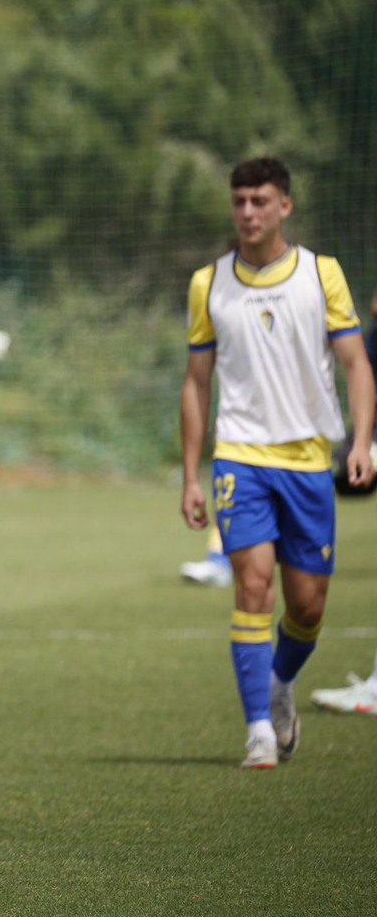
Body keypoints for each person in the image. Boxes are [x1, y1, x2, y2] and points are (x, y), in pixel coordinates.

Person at [178, 156, 374, 769]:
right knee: (253, 587)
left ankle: (279, 681)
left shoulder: (321, 274)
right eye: (239, 201)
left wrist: (361, 441)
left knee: (308, 608)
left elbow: (355, 365)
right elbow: (196, 383)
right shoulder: (208, 283)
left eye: (260, 200)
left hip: (310, 460)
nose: (247, 212)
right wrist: (190, 474)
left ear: (284, 205)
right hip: (240, 457)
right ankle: (259, 729)